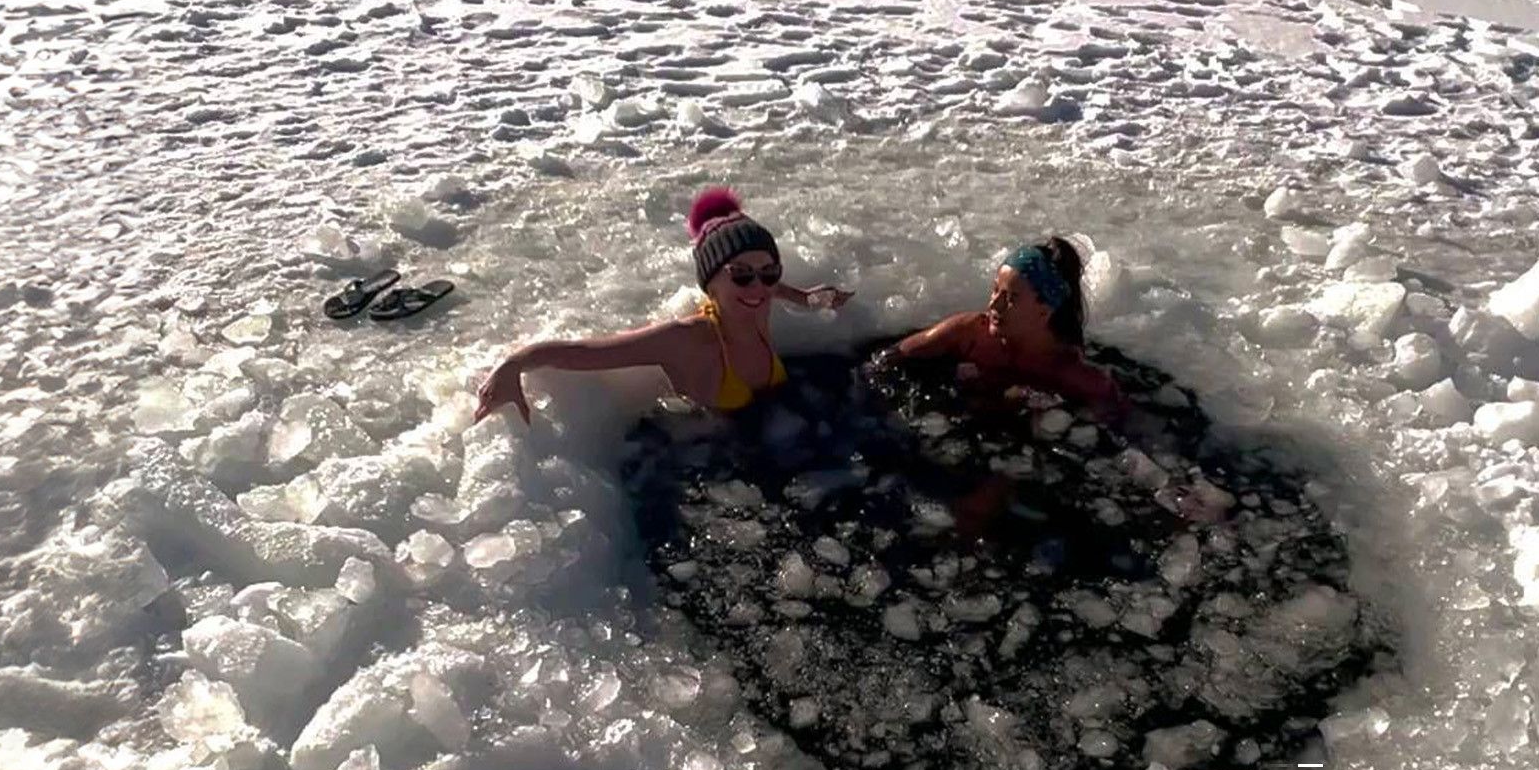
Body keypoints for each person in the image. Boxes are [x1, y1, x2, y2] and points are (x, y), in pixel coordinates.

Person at [473, 188, 850, 423]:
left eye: (769, 272)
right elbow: (591, 353)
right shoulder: (689, 338)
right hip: (704, 448)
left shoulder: (759, 299)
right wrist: (515, 363)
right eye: (741, 274)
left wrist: (812, 299)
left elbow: (780, 291)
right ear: (711, 284)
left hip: (775, 430)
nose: (759, 286)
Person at [878, 237, 1125, 421]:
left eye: (1011, 298)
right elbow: (890, 358)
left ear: (1044, 311)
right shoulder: (970, 333)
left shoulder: (1073, 374)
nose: (993, 304)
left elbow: (1123, 433)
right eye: (995, 290)